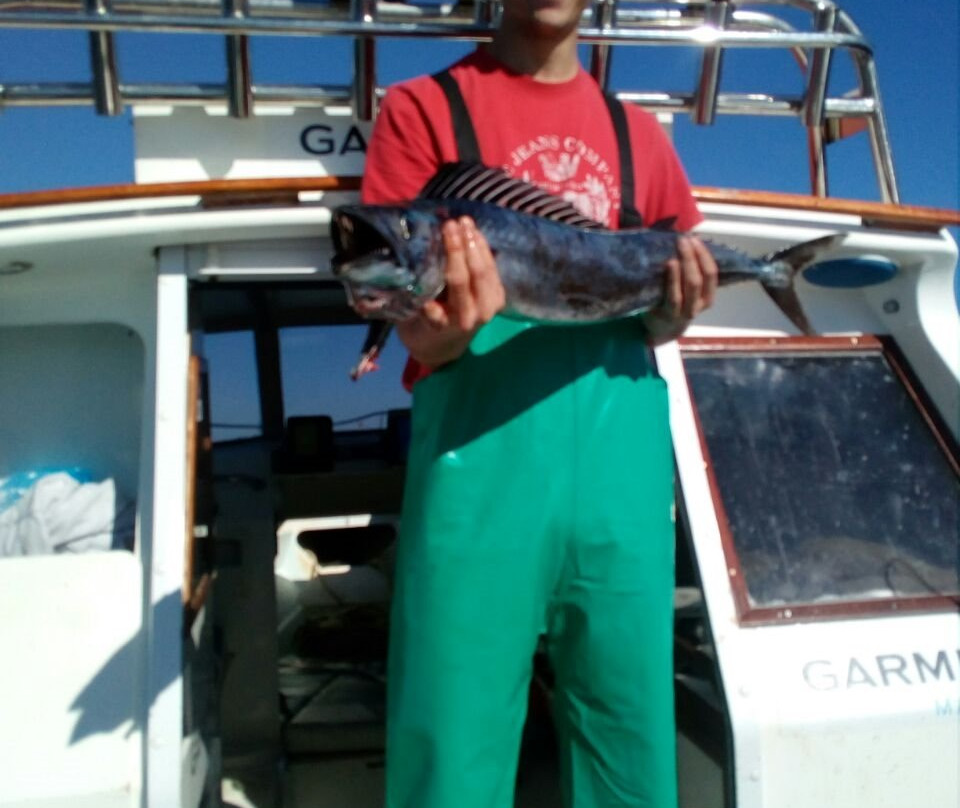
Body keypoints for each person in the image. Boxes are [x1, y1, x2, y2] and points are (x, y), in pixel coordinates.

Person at [360, 0, 718, 804]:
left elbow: (658, 317)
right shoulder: (422, 109)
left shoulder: (640, 135)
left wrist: (674, 314)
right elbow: (417, 332)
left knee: (630, 736)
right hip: (479, 472)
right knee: (453, 743)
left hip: (621, 486)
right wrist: (442, 330)